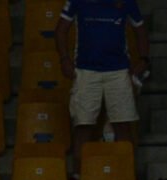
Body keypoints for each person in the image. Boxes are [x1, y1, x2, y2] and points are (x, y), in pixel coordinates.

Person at [57, 0, 147, 142]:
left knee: (123, 125)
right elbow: (61, 30)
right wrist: (64, 59)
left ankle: (125, 157)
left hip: (118, 71)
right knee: (83, 126)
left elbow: (140, 29)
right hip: (86, 70)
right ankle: (81, 158)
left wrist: (143, 58)